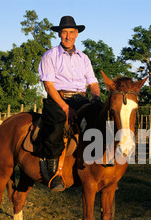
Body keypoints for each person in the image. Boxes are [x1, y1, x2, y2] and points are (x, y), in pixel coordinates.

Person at [38, 16, 100, 191]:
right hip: (58, 98)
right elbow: (49, 86)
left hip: (81, 98)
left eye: (71, 32)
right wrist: (66, 107)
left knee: (103, 116)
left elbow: (93, 83)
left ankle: (103, 165)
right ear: (59, 34)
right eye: (64, 32)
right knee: (57, 121)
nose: (68, 36)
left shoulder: (84, 58)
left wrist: (95, 97)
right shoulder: (50, 55)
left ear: (77, 34)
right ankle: (52, 168)